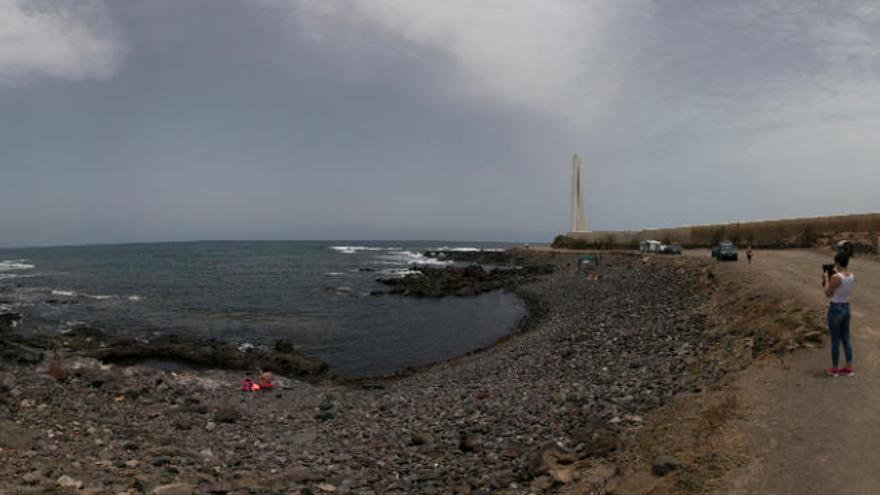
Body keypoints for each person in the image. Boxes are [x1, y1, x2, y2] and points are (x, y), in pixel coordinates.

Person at [823, 253, 854, 377]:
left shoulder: (836, 277)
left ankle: (835, 369)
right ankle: (848, 367)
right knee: (846, 338)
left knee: (835, 340)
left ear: (838, 263)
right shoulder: (851, 276)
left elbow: (828, 293)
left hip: (835, 308)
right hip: (846, 307)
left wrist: (826, 279)